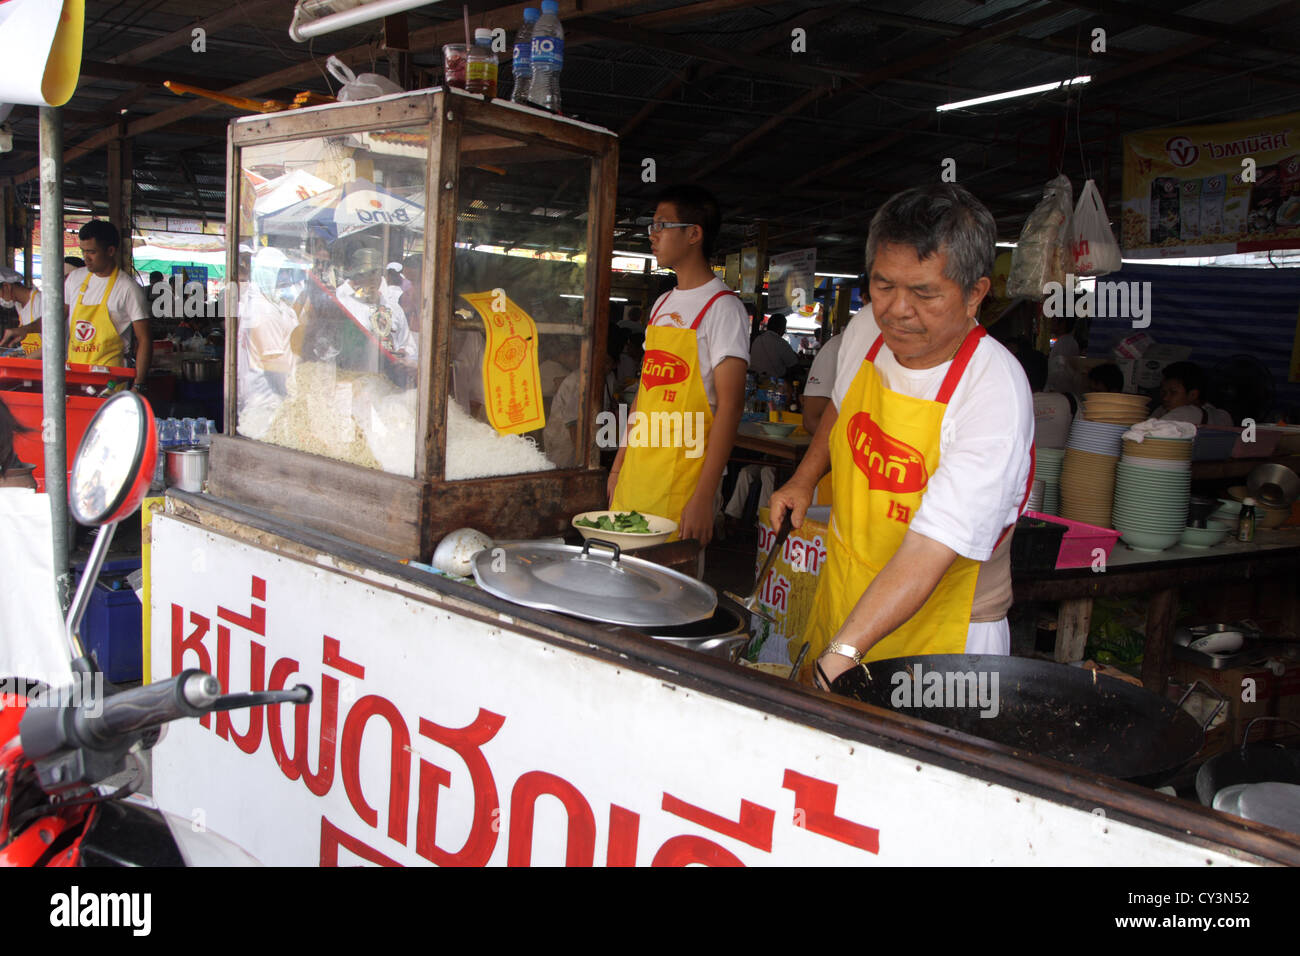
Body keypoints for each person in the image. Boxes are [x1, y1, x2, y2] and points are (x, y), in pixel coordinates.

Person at [769, 184, 1034, 687]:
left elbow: (929, 550)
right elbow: (843, 408)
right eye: (883, 285)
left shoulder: (993, 390)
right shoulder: (868, 329)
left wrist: (835, 661)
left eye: (925, 292)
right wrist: (804, 478)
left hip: (944, 645)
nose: (897, 310)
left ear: (976, 293)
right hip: (845, 605)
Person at [608, 184, 749, 547]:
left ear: (694, 234)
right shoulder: (660, 305)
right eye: (651, 226)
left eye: (662, 225)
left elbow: (731, 408)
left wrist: (703, 497)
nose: (652, 235)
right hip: (637, 474)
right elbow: (645, 390)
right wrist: (618, 465)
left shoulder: (723, 308)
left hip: (681, 484)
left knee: (665, 593)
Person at [1, 221, 151, 393]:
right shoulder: (75, 279)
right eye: (83, 251)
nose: (86, 257)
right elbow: (56, 318)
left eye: (92, 252)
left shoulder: (128, 288)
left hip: (109, 379)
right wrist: (25, 330)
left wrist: (138, 384)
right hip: (74, 374)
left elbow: (144, 339)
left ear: (110, 251)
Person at [1155, 361, 1232, 426]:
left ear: (1193, 395)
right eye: (1163, 392)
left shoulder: (1187, 412)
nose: (1165, 398)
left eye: (1173, 392)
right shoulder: (1223, 416)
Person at [0, 266, 42, 354]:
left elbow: (52, 345)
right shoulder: (19, 304)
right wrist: (15, 353)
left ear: (6, 286)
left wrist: (26, 358)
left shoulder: (40, 301)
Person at [749, 312, 800, 380]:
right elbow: (794, 365)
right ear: (781, 327)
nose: (784, 331)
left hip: (754, 379)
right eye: (784, 327)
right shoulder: (781, 343)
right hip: (774, 382)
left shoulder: (757, 339)